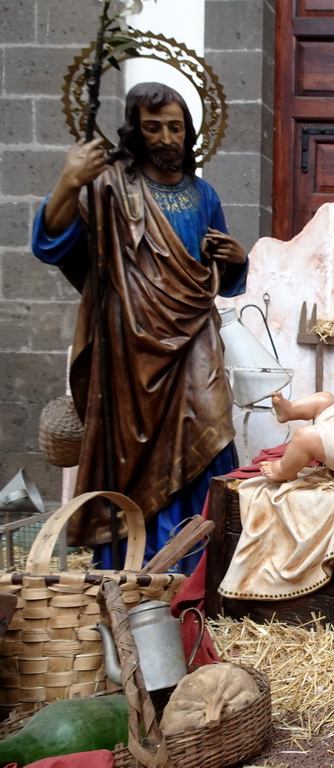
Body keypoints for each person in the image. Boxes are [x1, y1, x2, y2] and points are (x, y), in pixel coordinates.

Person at [31, 82, 248, 571]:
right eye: (154, 128)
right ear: (135, 130)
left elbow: (222, 276)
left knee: (211, 431)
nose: (167, 138)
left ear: (189, 132)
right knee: (131, 460)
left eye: (176, 127)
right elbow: (52, 245)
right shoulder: (108, 186)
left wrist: (236, 260)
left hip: (195, 340)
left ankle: (199, 571)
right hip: (128, 349)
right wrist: (69, 182)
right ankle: (136, 571)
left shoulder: (202, 193)